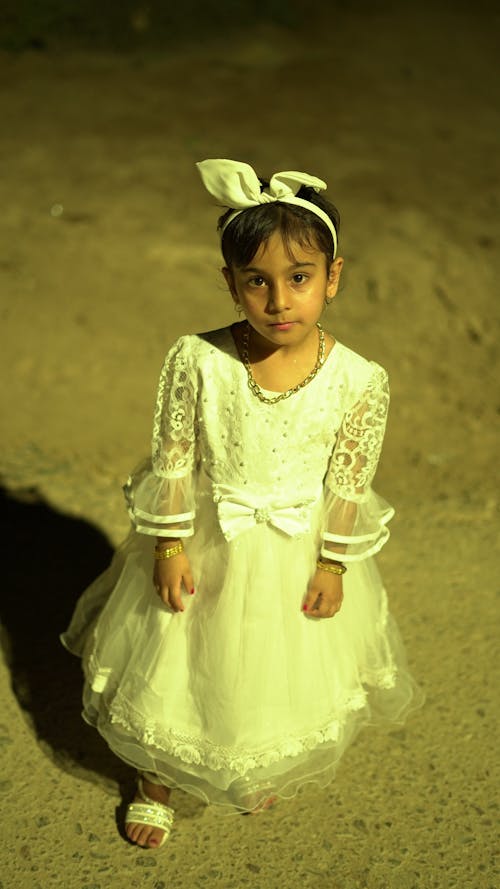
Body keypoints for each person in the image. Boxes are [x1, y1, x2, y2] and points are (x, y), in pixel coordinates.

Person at [62, 158, 423, 849]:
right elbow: (173, 457)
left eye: (299, 278)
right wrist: (168, 545)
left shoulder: (359, 380)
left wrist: (333, 564)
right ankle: (155, 782)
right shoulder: (196, 359)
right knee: (177, 658)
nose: (279, 300)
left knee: (267, 661)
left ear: (332, 277)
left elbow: (348, 479)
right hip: (205, 540)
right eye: (256, 280)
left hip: (291, 552)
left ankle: (251, 755)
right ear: (230, 283)